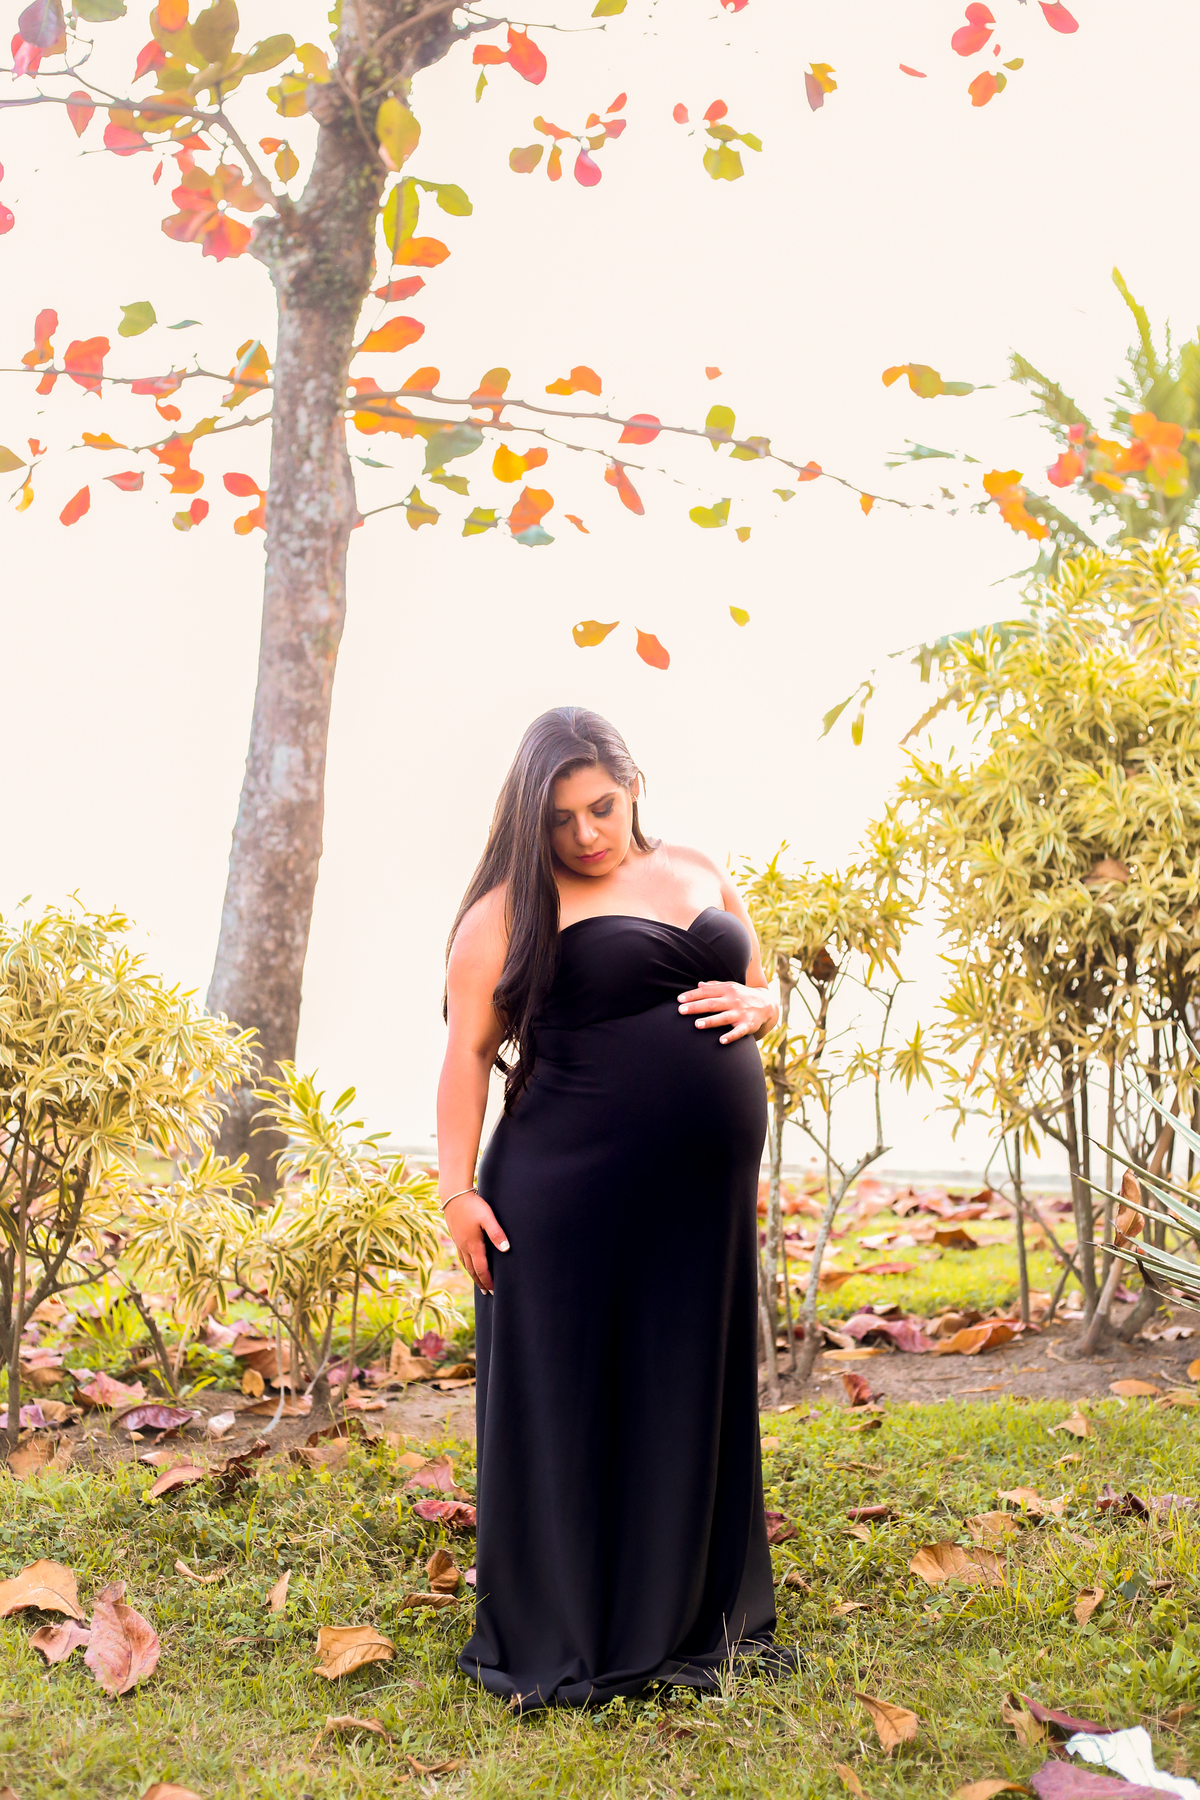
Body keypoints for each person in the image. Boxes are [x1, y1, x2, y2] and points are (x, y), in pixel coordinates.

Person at [436, 706, 783, 1711]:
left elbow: (757, 988)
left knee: (683, 1383)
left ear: (632, 786)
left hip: (700, 1205)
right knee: (580, 1399)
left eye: (600, 807)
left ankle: (685, 1605)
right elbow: (466, 1056)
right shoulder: (508, 910)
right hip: (566, 1194)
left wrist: (766, 1007)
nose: (585, 834)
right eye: (559, 819)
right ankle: (585, 1621)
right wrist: (457, 1192)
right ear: (529, 820)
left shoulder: (697, 867)